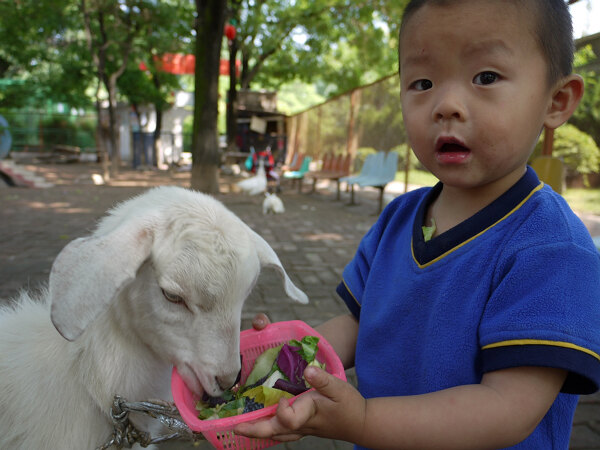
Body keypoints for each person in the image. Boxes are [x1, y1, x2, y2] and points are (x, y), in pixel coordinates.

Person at [235, 0, 600, 448]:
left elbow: (508, 408)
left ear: (557, 101)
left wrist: (364, 420)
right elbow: (358, 324)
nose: (446, 105)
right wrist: (286, 363)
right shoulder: (398, 218)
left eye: (485, 77)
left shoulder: (550, 249)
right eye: (422, 82)